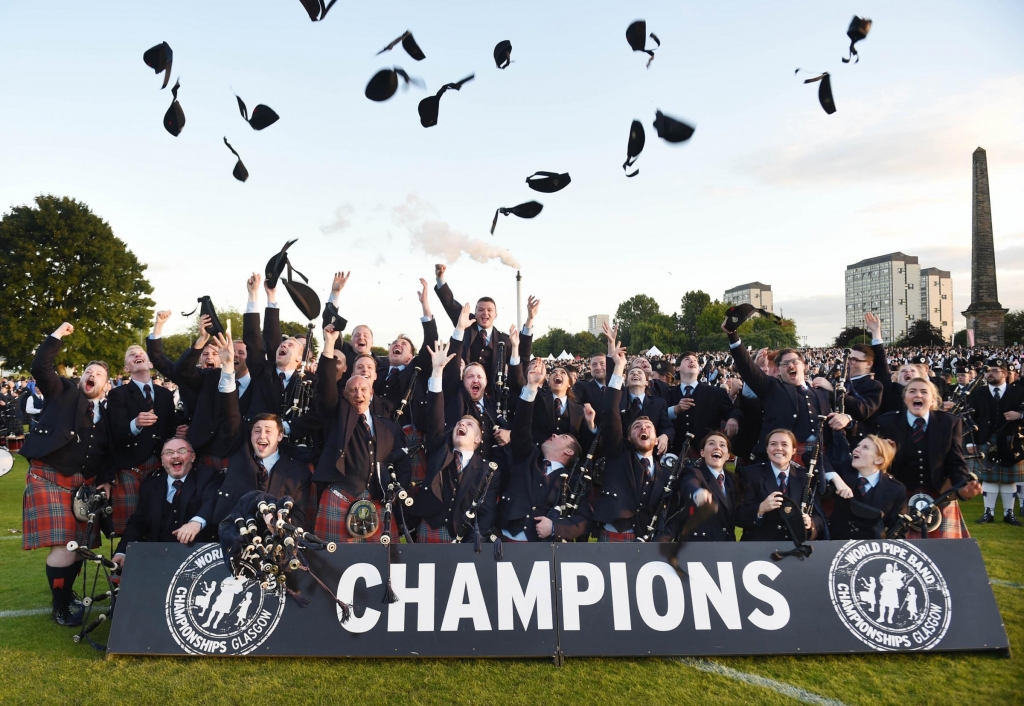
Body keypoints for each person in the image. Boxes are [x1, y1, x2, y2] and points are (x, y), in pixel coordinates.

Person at [20, 322, 114, 626]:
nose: (92, 375)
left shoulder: (106, 416)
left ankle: (65, 594)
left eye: (99, 375)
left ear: (106, 385)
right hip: (48, 476)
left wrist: (106, 480)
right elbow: (40, 365)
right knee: (64, 546)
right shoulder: (62, 391)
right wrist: (58, 334)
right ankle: (60, 607)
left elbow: (108, 453)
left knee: (78, 548)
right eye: (89, 371)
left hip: (81, 486)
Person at [311, 326, 409, 543]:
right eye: (352, 390)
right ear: (344, 394)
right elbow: (325, 388)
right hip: (340, 494)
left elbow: (400, 461)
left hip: (376, 499)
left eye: (363, 390)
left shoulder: (388, 427)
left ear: (372, 392)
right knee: (332, 563)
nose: (358, 393)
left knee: (384, 564)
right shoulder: (337, 416)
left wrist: (393, 492)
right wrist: (328, 346)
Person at [209, 331, 313, 529]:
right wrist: (228, 366)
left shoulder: (299, 474)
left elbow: (299, 517)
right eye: (257, 430)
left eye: (268, 430)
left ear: (281, 435)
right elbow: (230, 413)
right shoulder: (238, 459)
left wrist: (282, 526)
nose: (262, 436)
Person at [413, 340, 499, 542]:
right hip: (432, 529)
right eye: (460, 424)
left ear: (479, 438)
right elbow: (435, 414)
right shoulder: (439, 449)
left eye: (469, 425)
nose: (462, 425)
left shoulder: (488, 471)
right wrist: (437, 371)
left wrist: (474, 539)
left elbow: (486, 512)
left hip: (466, 535)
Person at [499, 358, 591, 542]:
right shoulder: (527, 457)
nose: (555, 435)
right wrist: (532, 386)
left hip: (543, 552)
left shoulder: (574, 480)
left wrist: (556, 528)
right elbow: (522, 426)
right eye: (554, 372)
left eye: (563, 437)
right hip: (504, 543)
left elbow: (584, 520)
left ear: (569, 452)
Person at [592, 346, 679, 542]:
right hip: (616, 532)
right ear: (628, 437)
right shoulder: (617, 454)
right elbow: (609, 411)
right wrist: (619, 367)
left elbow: (673, 514)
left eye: (649, 427)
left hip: (650, 541)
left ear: (656, 438)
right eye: (637, 426)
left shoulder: (665, 474)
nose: (643, 429)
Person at [876, 378, 982, 538]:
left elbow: (956, 463)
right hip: (899, 499)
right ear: (905, 398)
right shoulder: (888, 422)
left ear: (933, 399)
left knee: (942, 557)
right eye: (912, 391)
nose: (918, 395)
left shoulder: (949, 422)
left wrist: (962, 487)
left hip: (939, 498)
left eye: (924, 392)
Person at [106, 343, 181, 535]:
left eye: (141, 354)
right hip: (132, 467)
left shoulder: (165, 395)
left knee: (162, 525)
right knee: (131, 528)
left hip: (161, 467)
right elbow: (114, 431)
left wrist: (179, 432)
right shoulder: (117, 394)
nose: (137, 355)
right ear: (126, 368)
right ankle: (124, 564)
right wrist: (135, 424)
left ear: (150, 364)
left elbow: (169, 427)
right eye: (132, 355)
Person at [111, 437, 220, 569]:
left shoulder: (207, 477)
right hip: (159, 559)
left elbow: (211, 502)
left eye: (181, 451)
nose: (175, 455)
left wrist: (196, 522)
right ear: (162, 461)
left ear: (193, 457)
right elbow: (137, 522)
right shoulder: (150, 486)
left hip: (198, 558)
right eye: (169, 452)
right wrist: (122, 551)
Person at [433, 263, 536, 391]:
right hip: (462, 391)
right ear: (474, 314)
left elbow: (523, 356)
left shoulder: (505, 340)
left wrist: (530, 319)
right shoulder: (467, 326)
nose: (485, 313)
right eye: (480, 310)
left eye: (489, 310)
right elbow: (451, 305)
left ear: (496, 315)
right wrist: (440, 278)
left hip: (492, 396)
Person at [737, 429, 826, 542]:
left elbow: (820, 517)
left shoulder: (806, 477)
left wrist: (810, 523)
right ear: (767, 449)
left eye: (784, 444)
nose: (779, 448)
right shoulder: (750, 474)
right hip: (759, 548)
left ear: (794, 450)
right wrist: (760, 508)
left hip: (794, 548)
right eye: (773, 444)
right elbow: (738, 515)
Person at [968, 358, 1024, 525]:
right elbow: (969, 418)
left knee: (1009, 479)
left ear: (1005, 374)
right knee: (989, 479)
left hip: (1012, 441)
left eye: (994, 371)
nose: (989, 374)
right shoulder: (977, 393)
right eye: (987, 371)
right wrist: (970, 443)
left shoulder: (1019, 392)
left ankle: (1009, 513)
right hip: (986, 439)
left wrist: (1020, 415)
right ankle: (988, 512)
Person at [826, 434, 907, 539]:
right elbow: (812, 456)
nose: (856, 450)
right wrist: (836, 480)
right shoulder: (844, 470)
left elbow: (897, 530)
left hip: (871, 549)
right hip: (838, 544)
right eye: (858, 446)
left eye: (865, 447)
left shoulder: (896, 489)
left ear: (879, 460)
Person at [666, 352, 739, 456]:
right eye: (687, 359)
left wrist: (733, 418)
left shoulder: (716, 393)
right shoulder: (668, 394)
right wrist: (674, 410)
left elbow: (732, 412)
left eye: (695, 360)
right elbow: (659, 416)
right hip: (674, 456)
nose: (692, 361)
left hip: (706, 456)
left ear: (699, 369)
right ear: (677, 368)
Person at [679, 431, 738, 541]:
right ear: (702, 453)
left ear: (728, 456)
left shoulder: (732, 481)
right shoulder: (694, 472)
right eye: (711, 443)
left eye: (722, 445)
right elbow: (689, 484)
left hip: (727, 548)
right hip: (700, 547)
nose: (717, 448)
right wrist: (698, 493)